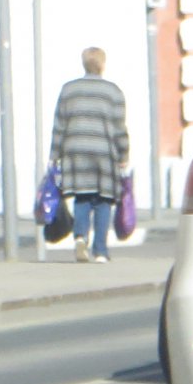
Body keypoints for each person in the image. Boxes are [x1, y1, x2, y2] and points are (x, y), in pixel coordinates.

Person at [49, 47, 130, 263]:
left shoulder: (68, 90)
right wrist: (124, 154)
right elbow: (120, 128)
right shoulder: (113, 92)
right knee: (104, 200)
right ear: (103, 64)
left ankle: (80, 238)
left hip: (75, 152)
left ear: (83, 64)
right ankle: (101, 251)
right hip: (104, 153)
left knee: (82, 197)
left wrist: (54, 154)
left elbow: (59, 125)